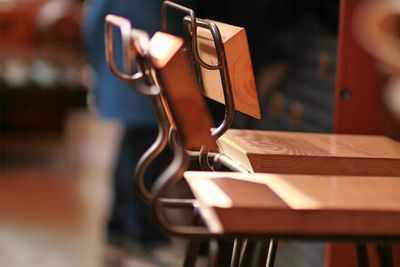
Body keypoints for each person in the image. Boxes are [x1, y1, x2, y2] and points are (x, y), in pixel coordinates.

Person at [82, 0, 171, 250]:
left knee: (134, 146)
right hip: (143, 72)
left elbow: (93, 22)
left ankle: (121, 222)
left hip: (128, 70)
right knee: (145, 149)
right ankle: (137, 227)